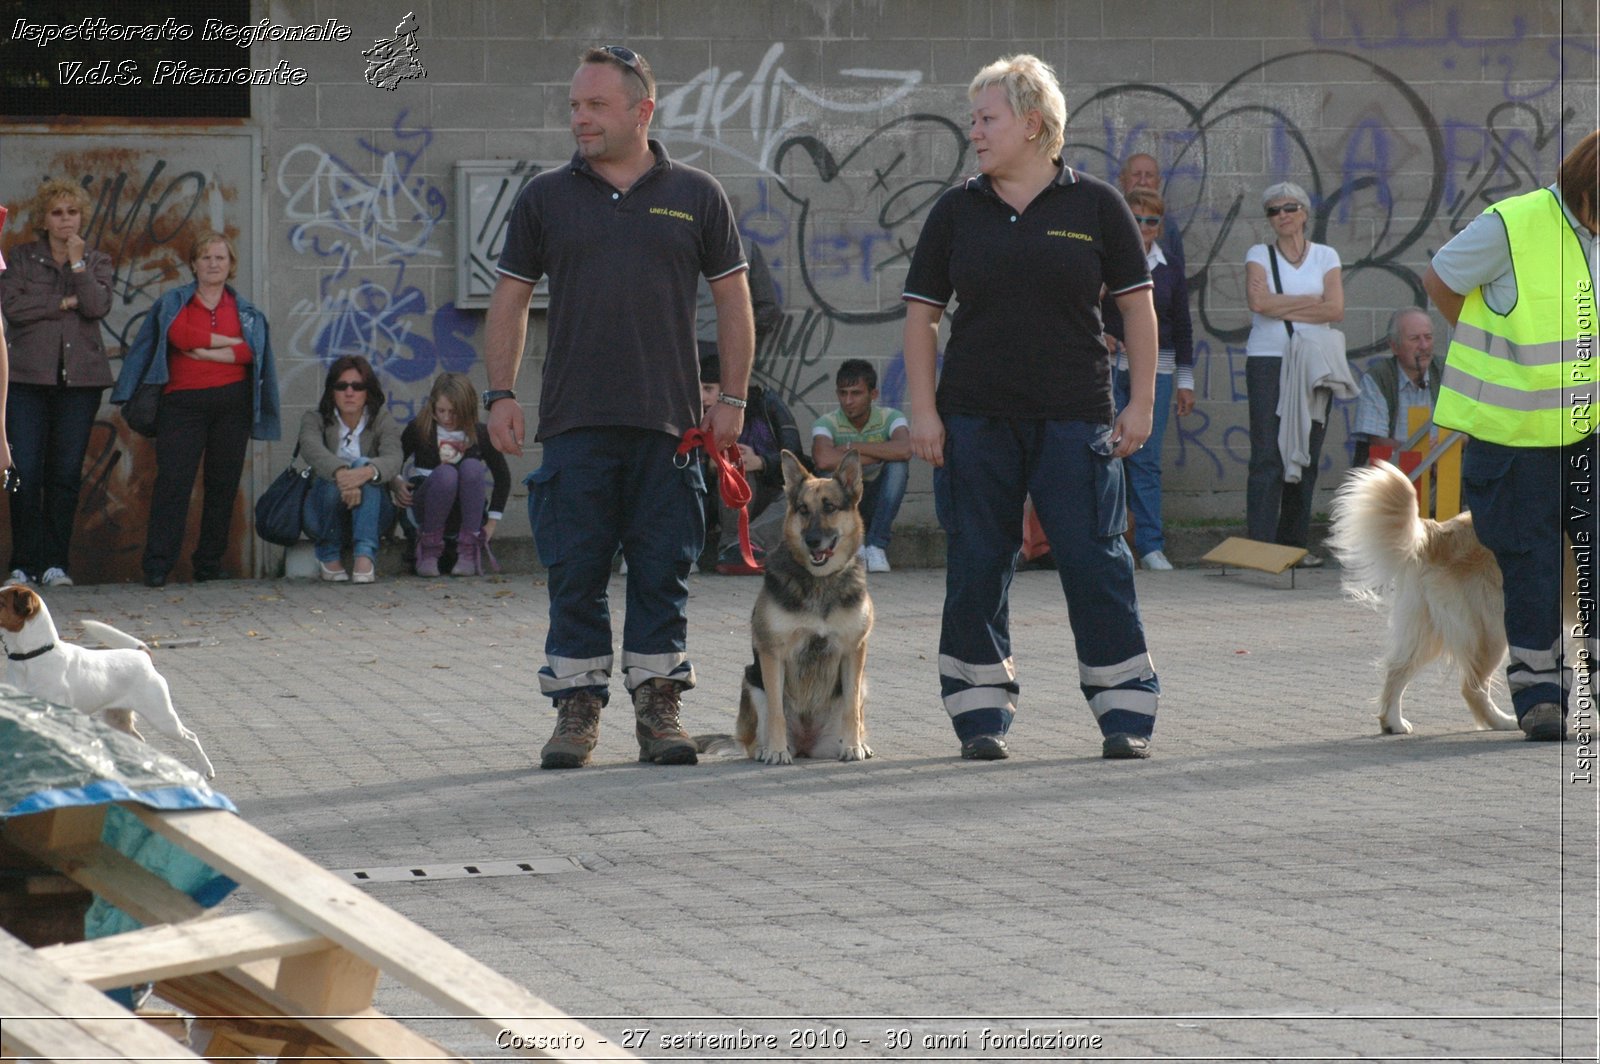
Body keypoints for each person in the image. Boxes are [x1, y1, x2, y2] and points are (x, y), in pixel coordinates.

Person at [483, 44, 755, 770]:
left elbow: (733, 299)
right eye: (574, 105)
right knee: (576, 568)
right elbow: (509, 299)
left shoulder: (697, 194)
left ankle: (658, 707)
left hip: (670, 426)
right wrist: (500, 394)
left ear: (642, 110)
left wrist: (732, 397)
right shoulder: (545, 197)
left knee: (663, 569)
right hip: (573, 422)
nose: (579, 118)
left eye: (595, 105)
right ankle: (577, 710)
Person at [902, 53, 1162, 761]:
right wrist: (924, 413)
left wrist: (1140, 403)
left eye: (988, 118)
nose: (975, 132)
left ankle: (1125, 715)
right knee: (979, 563)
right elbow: (922, 317)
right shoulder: (956, 209)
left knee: (1094, 561)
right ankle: (980, 716)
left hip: (1076, 419)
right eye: (974, 119)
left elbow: (1138, 311)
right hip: (975, 420)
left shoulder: (1097, 205)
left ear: (1034, 124)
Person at [1421, 129, 1598, 742]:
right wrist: (1485, 344)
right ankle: (1542, 697)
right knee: (1531, 565)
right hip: (1517, 434)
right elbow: (1441, 279)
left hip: (1590, 427)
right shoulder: (1511, 224)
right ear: (1583, 191)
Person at [112, 230, 280, 588]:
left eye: (220, 258)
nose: (213, 264)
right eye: (205, 257)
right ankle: (158, 565)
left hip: (232, 406)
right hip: (182, 405)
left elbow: (253, 352)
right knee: (174, 483)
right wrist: (231, 344)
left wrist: (208, 351)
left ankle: (208, 564)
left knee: (222, 485)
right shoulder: (175, 302)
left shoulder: (246, 311)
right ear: (193, 264)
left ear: (231, 264)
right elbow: (179, 337)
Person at [0, 179, 113, 587]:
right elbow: (12, 306)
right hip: (28, 379)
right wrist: (64, 303)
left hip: (80, 383)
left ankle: (55, 564)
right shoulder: (22, 258)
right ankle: (24, 562)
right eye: (57, 212)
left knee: (64, 474)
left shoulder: (96, 260)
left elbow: (98, 305)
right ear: (44, 220)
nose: (66, 220)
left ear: (82, 218)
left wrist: (78, 265)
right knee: (24, 469)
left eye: (73, 212)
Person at [1243, 181, 1345, 567]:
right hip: (1269, 359)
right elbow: (1256, 302)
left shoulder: (1325, 256)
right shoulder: (1259, 254)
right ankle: (1261, 547)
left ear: (1303, 212)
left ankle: (1293, 546)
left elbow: (1335, 309)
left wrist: (1279, 304)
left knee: (1307, 454)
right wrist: (1310, 302)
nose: (1282, 215)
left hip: (1314, 363)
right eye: (1273, 210)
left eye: (1289, 208)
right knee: (1268, 454)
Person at [1102, 186, 1195, 571]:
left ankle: (1151, 544)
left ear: (1160, 226)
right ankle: (1108, 542)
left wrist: (1186, 382)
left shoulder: (1169, 266)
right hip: (1108, 368)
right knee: (1103, 456)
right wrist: (1100, 333)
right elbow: (1081, 305)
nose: (1143, 227)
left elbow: (1182, 326)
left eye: (1151, 220)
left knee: (1146, 459)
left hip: (1157, 369)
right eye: (1135, 219)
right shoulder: (1107, 258)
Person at [298, 356, 402, 585]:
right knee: (351, 470)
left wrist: (364, 472)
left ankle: (364, 554)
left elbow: (394, 457)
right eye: (341, 386)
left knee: (364, 465)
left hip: (373, 514)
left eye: (357, 386)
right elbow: (310, 448)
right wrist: (343, 474)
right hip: (322, 513)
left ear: (368, 391)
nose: (349, 392)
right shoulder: (314, 419)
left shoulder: (381, 420)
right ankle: (328, 553)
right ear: (331, 391)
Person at [698, 351, 804, 575]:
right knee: (736, 471)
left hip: (766, 496)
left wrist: (761, 462)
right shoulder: (693, 412)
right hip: (717, 503)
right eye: (698, 388)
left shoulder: (766, 404)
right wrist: (710, 465)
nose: (702, 397)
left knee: (803, 495)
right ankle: (733, 546)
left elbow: (795, 457)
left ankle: (742, 547)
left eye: (708, 389)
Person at [397, 372, 511, 577]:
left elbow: (503, 478)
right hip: (427, 509)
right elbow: (394, 460)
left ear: (467, 410)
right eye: (441, 410)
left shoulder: (480, 434)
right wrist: (396, 483)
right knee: (447, 474)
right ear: (432, 406)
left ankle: (468, 551)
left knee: (472, 468)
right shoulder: (419, 429)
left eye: (455, 412)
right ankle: (429, 550)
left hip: (465, 513)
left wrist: (492, 523)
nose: (447, 418)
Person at [810, 359, 910, 573]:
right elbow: (823, 460)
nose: (848, 401)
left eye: (856, 393)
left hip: (876, 500)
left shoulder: (891, 418)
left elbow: (904, 450)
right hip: (841, 505)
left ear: (873, 395)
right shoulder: (826, 423)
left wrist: (851, 448)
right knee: (826, 474)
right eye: (843, 393)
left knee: (898, 467)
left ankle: (876, 546)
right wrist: (880, 454)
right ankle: (853, 545)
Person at [1351, 307, 1442, 467]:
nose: (1424, 345)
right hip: (1394, 472)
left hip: (1445, 470)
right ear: (1394, 346)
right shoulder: (1379, 377)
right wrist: (1422, 454)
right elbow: (1377, 440)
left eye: (1428, 337)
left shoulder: (1446, 372)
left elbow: (1468, 431)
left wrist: (1444, 447)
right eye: (1414, 339)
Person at [1119, 153, 1187, 279]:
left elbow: (1178, 279)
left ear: (1158, 182)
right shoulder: (1106, 219)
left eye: (1149, 176)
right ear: (1122, 179)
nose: (1143, 181)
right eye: (1136, 175)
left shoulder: (1169, 226)